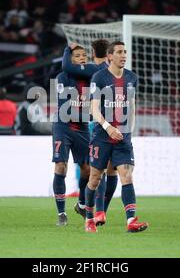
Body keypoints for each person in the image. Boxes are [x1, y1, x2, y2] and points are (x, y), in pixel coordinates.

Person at [84, 41, 149, 233]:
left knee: (126, 176)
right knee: (95, 178)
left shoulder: (132, 77)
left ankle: (131, 221)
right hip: (102, 136)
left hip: (123, 138)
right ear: (110, 56)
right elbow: (94, 109)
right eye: (119, 52)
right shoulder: (99, 77)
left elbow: (133, 106)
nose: (124, 55)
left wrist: (130, 130)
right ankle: (89, 218)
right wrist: (107, 127)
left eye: (125, 52)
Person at [62, 39, 118, 226]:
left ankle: (95, 210)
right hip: (118, 123)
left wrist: (67, 51)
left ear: (93, 52)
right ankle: (99, 210)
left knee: (98, 170)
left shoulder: (94, 69)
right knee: (113, 171)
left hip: (99, 124)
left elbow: (67, 66)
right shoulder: (116, 71)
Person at [52, 44, 93, 226]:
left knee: (88, 169)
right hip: (63, 125)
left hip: (82, 127)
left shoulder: (91, 78)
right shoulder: (63, 77)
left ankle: (81, 205)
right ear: (70, 59)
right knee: (61, 166)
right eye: (78, 55)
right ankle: (61, 213)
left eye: (84, 55)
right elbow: (66, 103)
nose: (83, 57)